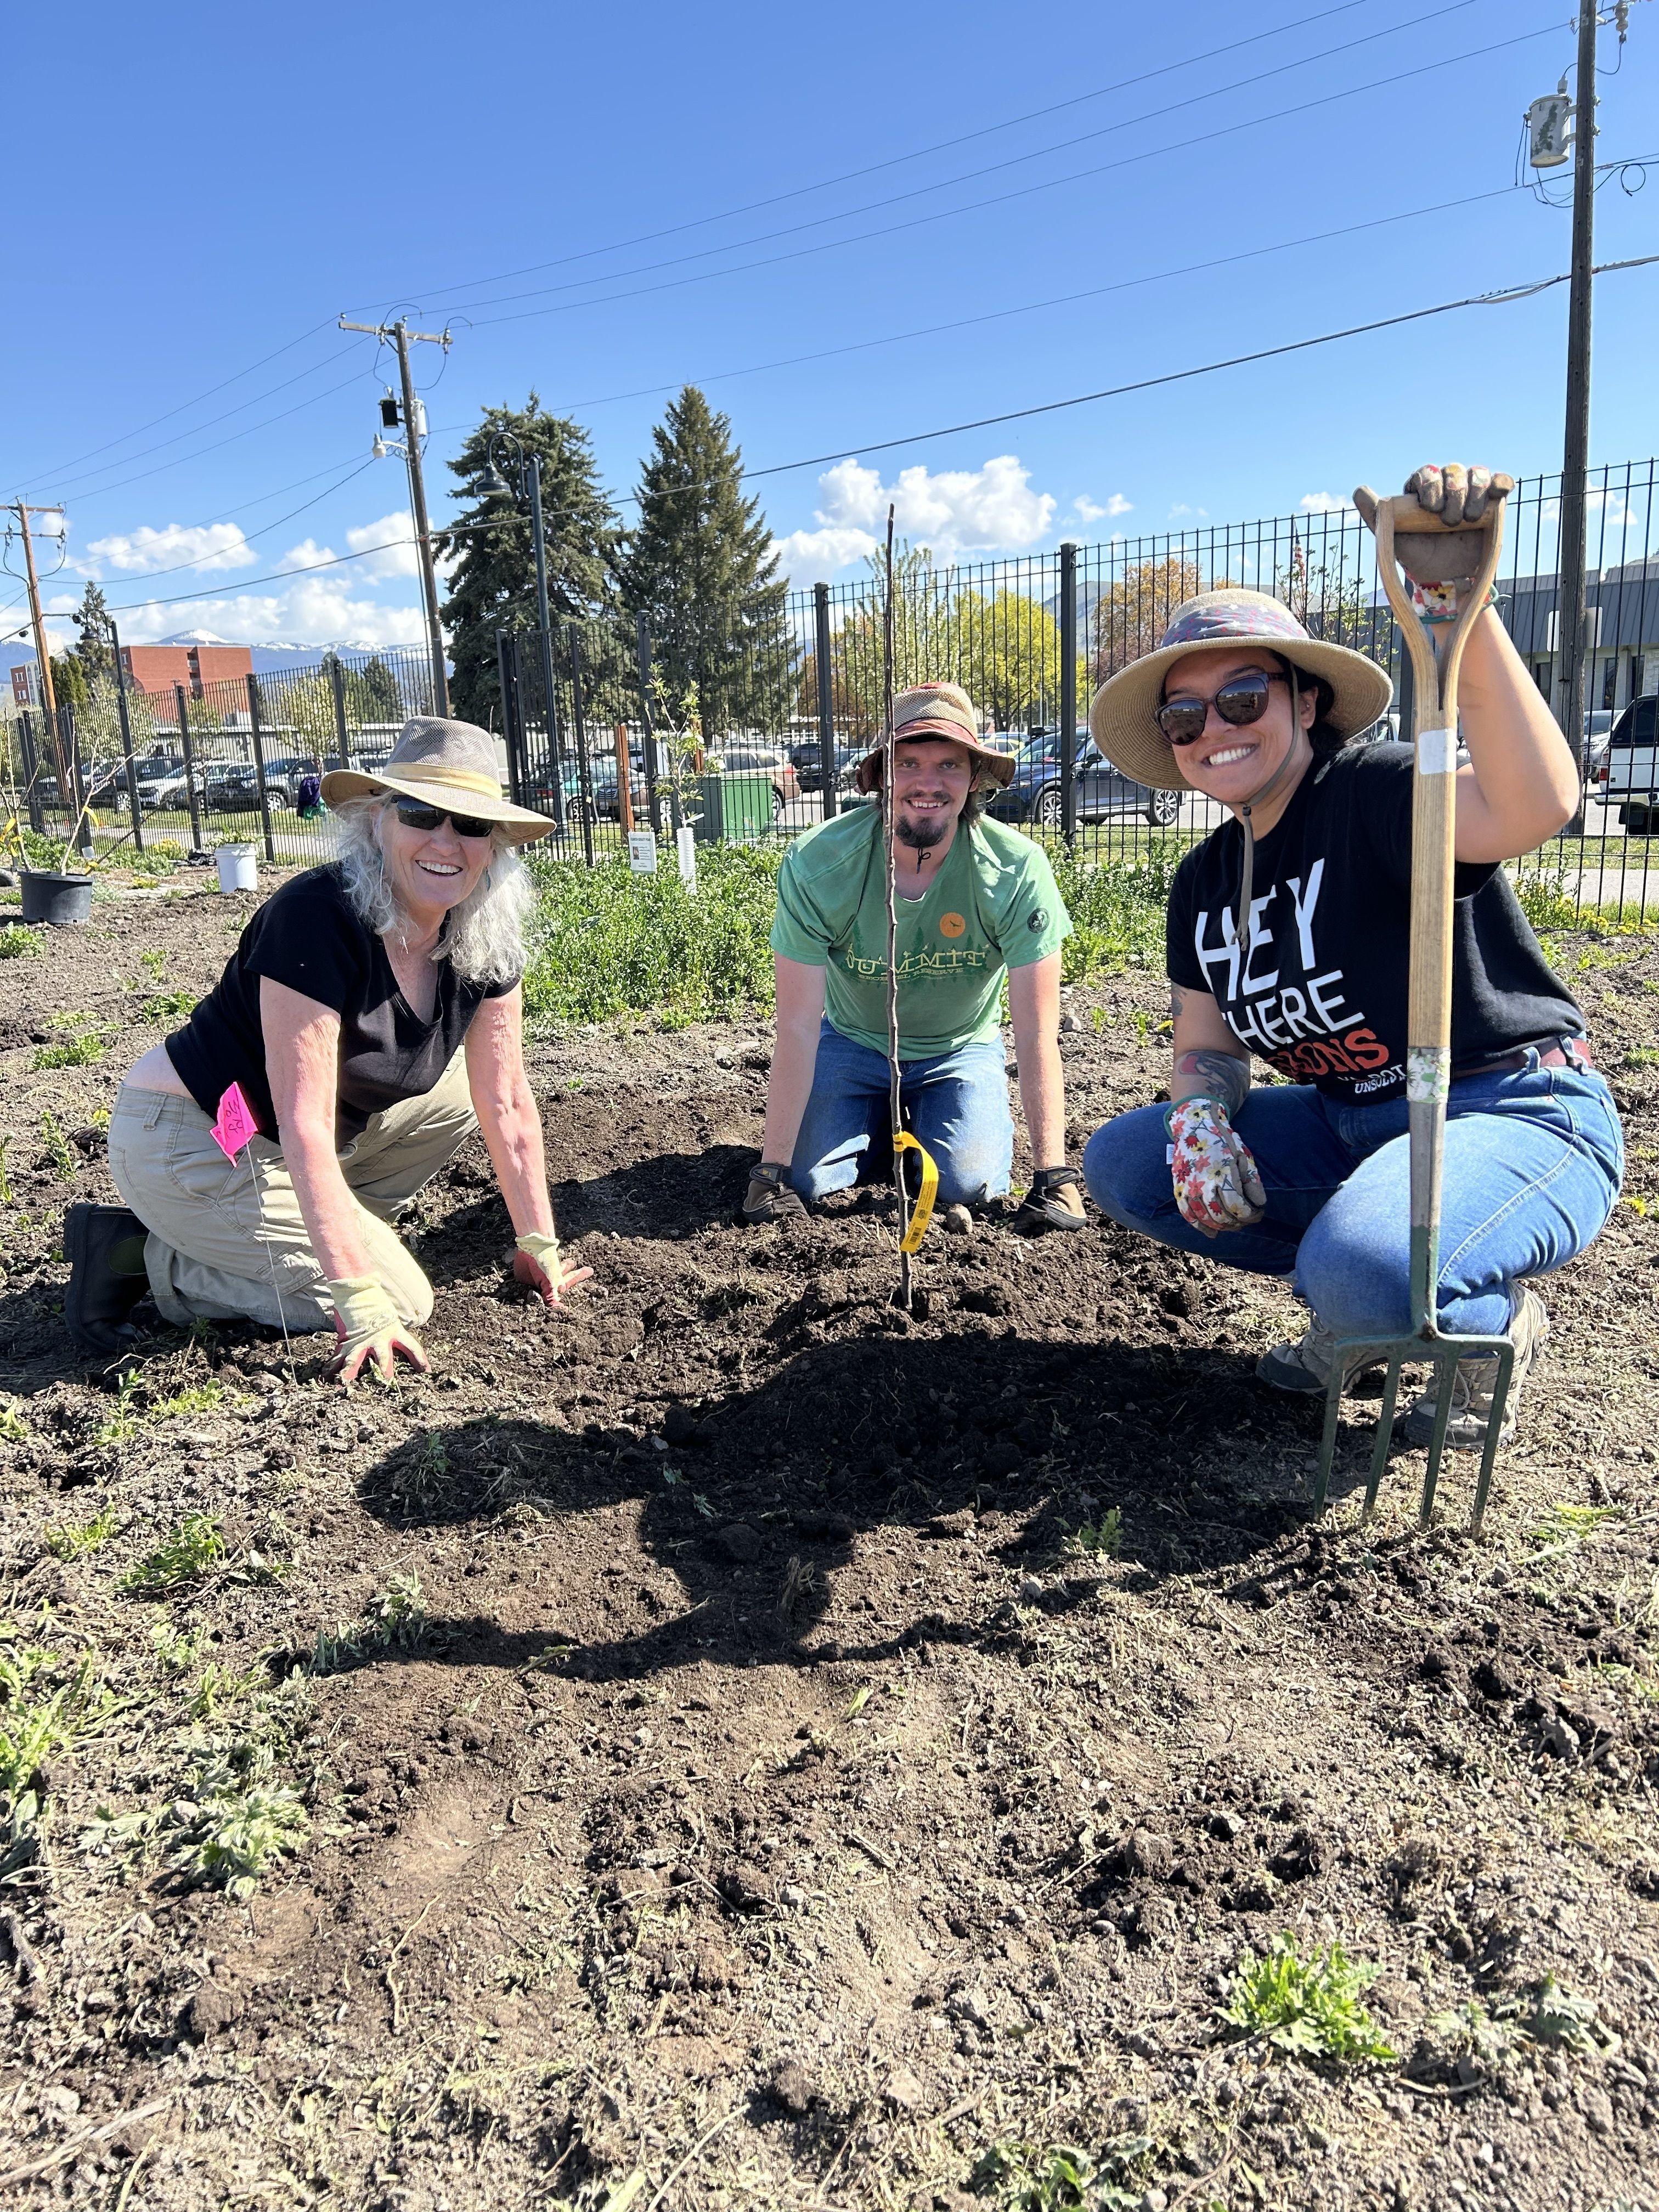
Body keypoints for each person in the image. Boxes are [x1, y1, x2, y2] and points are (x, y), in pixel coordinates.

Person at [1082, 462, 1623, 1448]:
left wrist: (1458, 619)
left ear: (1303, 702)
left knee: (1355, 1266)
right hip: (1353, 1124)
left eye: (1242, 697)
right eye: (1184, 716)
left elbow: (1537, 802)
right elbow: (1205, 1046)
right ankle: (1371, 1290)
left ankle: (1471, 1320)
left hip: (1511, 1107)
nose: (1213, 729)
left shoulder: (1374, 791)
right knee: (1127, 1162)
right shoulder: (1203, 882)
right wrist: (1199, 1114)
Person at [67, 717, 591, 1381]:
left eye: (470, 824)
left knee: (459, 1097)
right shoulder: (316, 917)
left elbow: (507, 1100)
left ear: (494, 845)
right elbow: (304, 1119)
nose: (445, 841)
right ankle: (144, 1259)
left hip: (279, 1141)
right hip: (190, 1138)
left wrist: (537, 1241)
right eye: (420, 814)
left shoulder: (485, 939)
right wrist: (358, 1296)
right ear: (377, 822)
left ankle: (305, 1232)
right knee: (403, 1300)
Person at [744, 680, 1087, 1233]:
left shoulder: (1016, 870)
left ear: (975, 778)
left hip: (960, 1047)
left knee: (967, 1185)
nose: (928, 783)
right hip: (853, 1041)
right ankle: (878, 1126)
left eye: (949, 765)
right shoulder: (818, 864)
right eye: (908, 764)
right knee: (807, 1181)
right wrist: (772, 1171)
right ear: (883, 776)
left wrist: (1054, 1173)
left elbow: (1035, 1031)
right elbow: (799, 1026)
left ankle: (924, 1124)